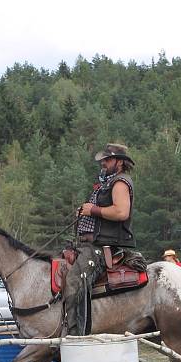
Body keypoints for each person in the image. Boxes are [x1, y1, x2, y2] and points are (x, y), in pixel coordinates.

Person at [67, 143, 136, 336]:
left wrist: (93, 210)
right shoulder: (107, 182)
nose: (103, 163)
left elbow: (121, 212)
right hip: (91, 242)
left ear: (119, 162)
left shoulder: (120, 182)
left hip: (103, 244)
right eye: (103, 160)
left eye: (108, 159)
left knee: (74, 280)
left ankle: (75, 332)